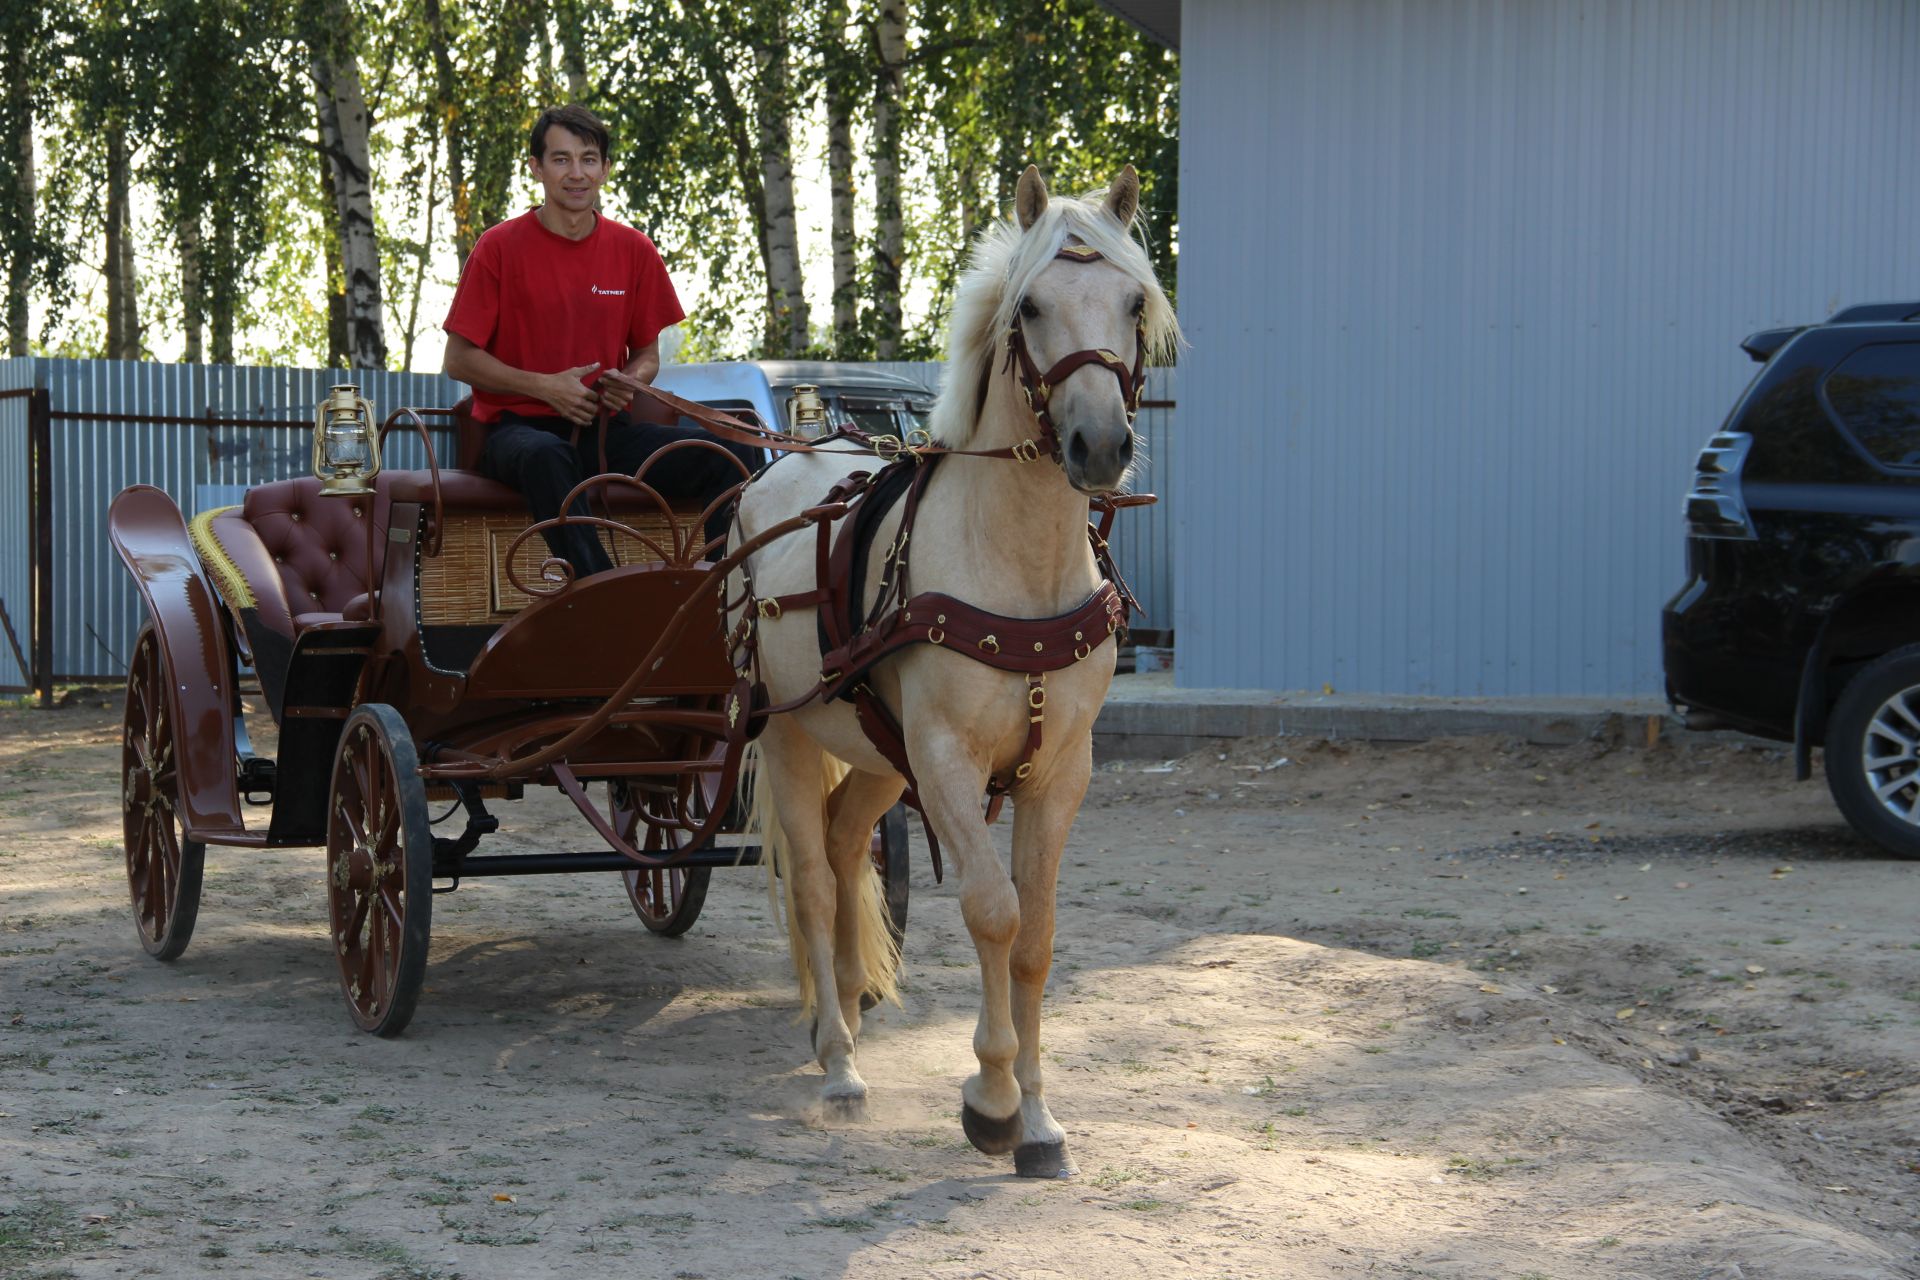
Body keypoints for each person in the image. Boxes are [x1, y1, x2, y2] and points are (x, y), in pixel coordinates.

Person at [442, 103, 756, 578]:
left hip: (608, 433)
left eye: (588, 159)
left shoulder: (634, 249)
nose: (576, 173)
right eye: (561, 159)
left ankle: (710, 590)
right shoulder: (498, 247)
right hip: (517, 433)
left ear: (605, 169)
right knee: (548, 456)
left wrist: (629, 379)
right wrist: (545, 387)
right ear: (537, 167)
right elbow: (458, 359)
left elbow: (647, 355)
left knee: (733, 453)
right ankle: (602, 592)